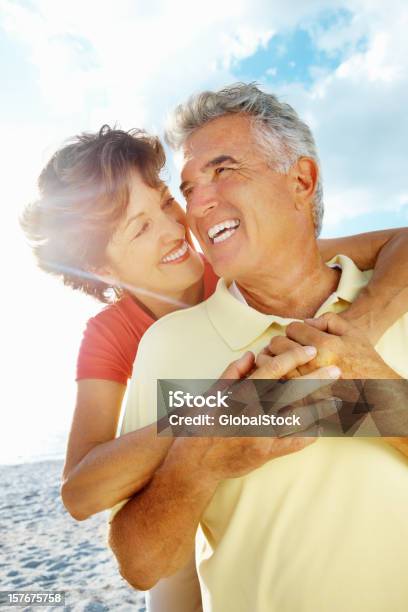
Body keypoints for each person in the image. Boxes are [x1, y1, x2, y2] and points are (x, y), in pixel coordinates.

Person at [108, 83, 408, 612]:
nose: (197, 203)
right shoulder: (168, 345)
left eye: (223, 170)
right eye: (189, 186)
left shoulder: (397, 300)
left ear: (301, 179)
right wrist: (198, 462)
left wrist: (377, 388)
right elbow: (140, 565)